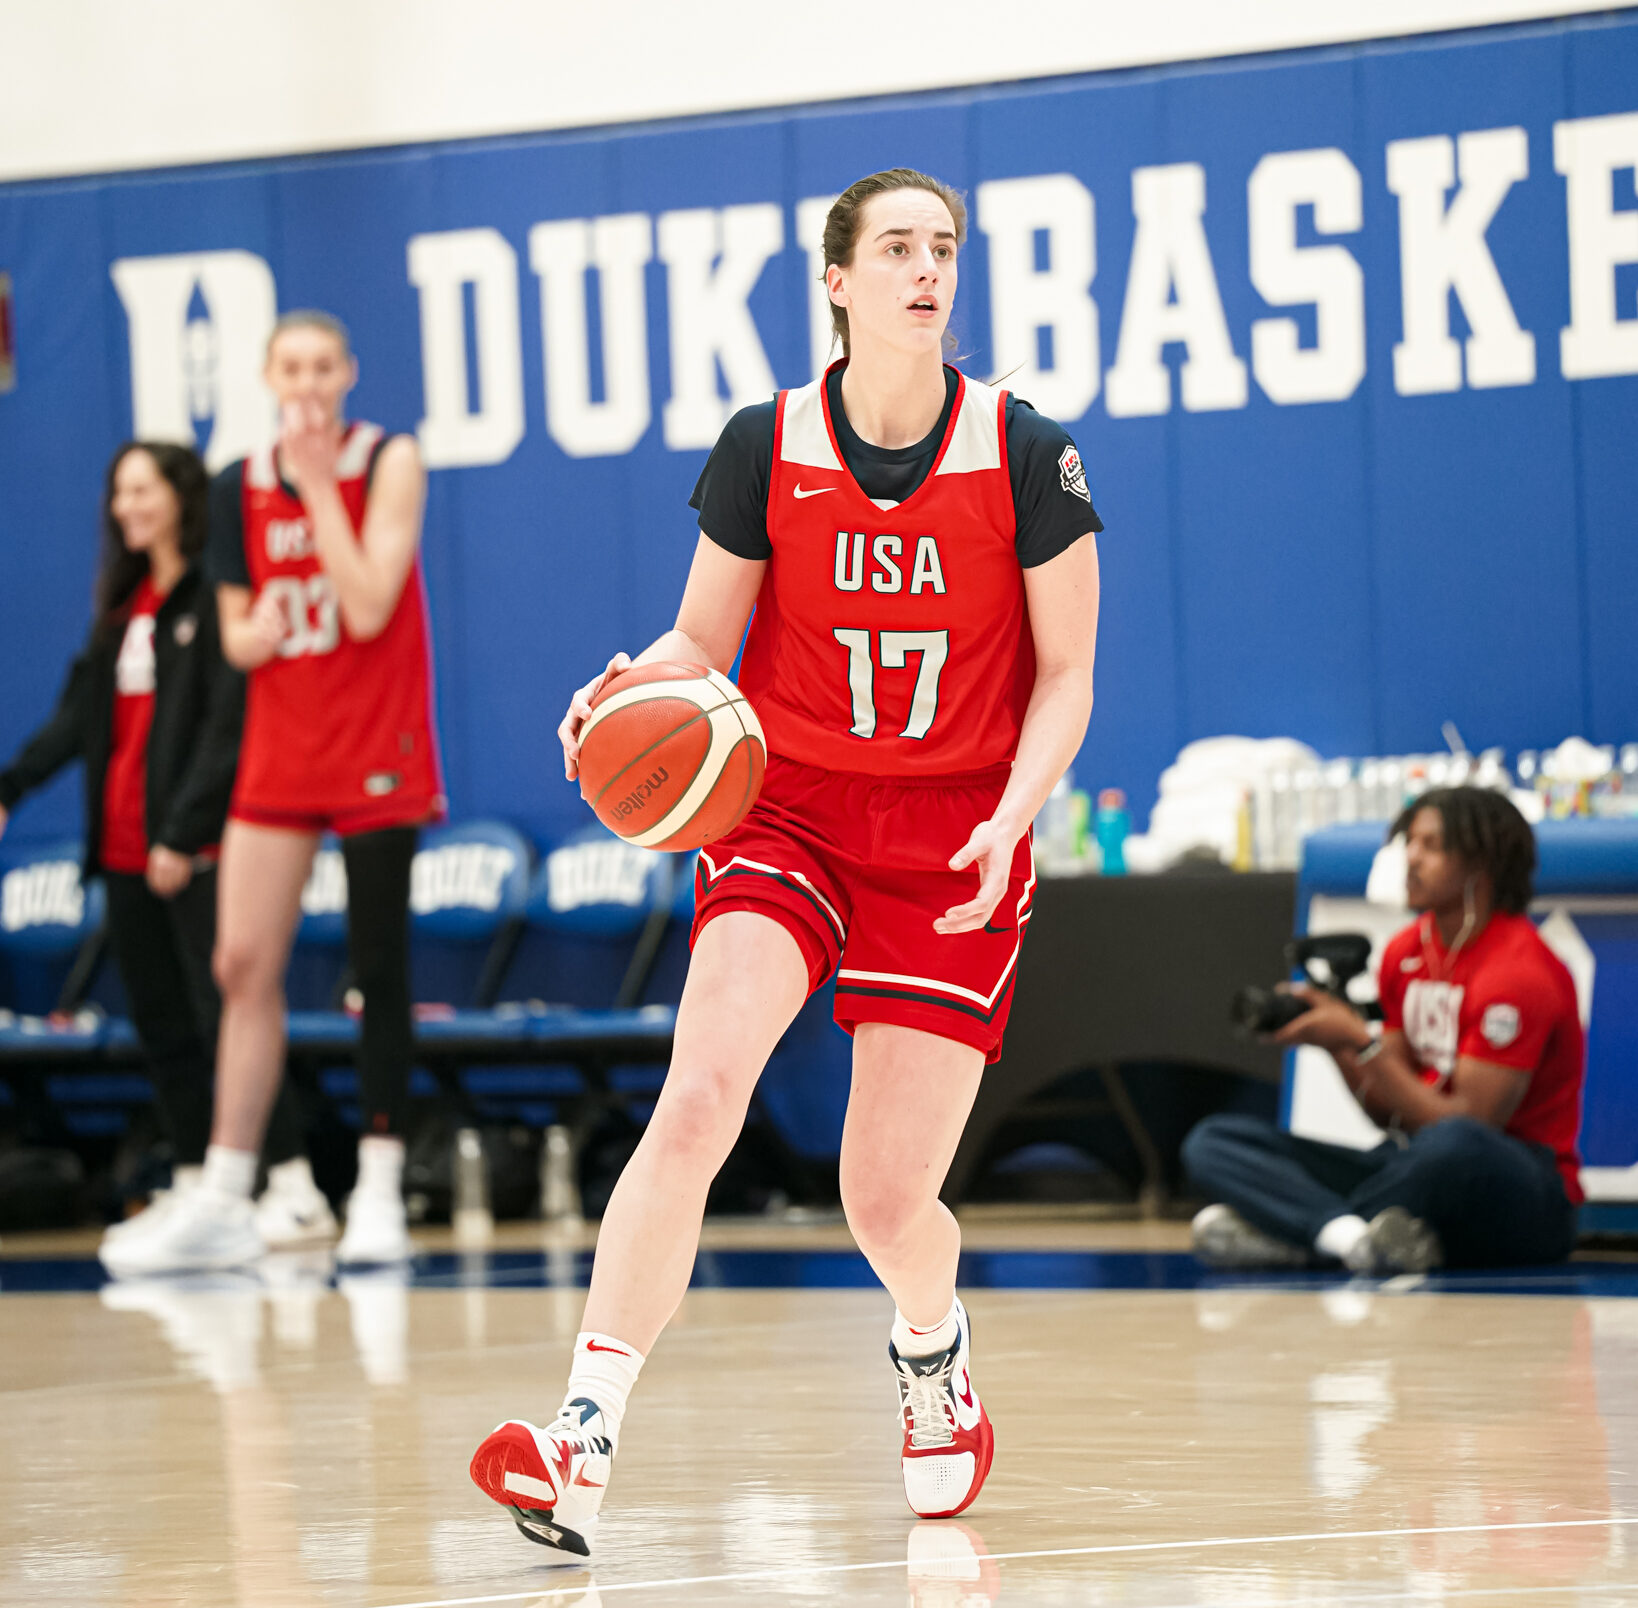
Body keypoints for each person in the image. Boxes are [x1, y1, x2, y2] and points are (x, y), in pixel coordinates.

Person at [468, 168, 1102, 1559]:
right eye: (895, 249)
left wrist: (1016, 806)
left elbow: (1065, 679)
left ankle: (933, 1355)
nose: (925, 271)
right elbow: (700, 644)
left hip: (952, 840)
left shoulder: (1025, 450)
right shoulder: (766, 443)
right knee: (696, 1100)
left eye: (942, 249)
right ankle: (578, 1440)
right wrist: (628, 686)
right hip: (791, 816)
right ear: (837, 280)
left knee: (882, 1197)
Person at [105, 310, 445, 1276]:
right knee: (239, 962)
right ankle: (226, 1186)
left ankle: (377, 1184)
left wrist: (314, 492)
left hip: (378, 734)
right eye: (289, 366)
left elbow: (371, 599)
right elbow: (235, 633)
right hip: (284, 744)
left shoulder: (389, 461)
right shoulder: (229, 487)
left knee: (377, 967)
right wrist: (250, 625)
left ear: (347, 375)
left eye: (322, 366)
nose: (305, 382)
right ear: (265, 374)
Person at [0, 442, 311, 1258]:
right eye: (118, 492)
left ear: (179, 495)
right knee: (162, 1025)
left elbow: (225, 727)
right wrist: (9, 789)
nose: (127, 505)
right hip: (125, 852)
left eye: (142, 488)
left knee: (228, 1005)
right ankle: (196, 1181)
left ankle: (289, 1178)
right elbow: (77, 721)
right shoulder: (123, 607)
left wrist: (185, 830)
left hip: (195, 848)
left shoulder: (212, 597)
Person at [1185, 786, 1585, 1274]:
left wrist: (1359, 1039)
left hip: (1519, 1191)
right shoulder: (1405, 952)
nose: (1410, 858)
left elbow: (1467, 1123)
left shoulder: (1518, 970)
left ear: (1483, 865)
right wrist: (1335, 1044)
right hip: (1415, 1165)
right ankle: (1352, 1238)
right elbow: (1388, 1115)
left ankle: (1301, 1234)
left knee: (1453, 1145)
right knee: (1214, 1141)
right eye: (1409, 842)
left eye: (1431, 846)